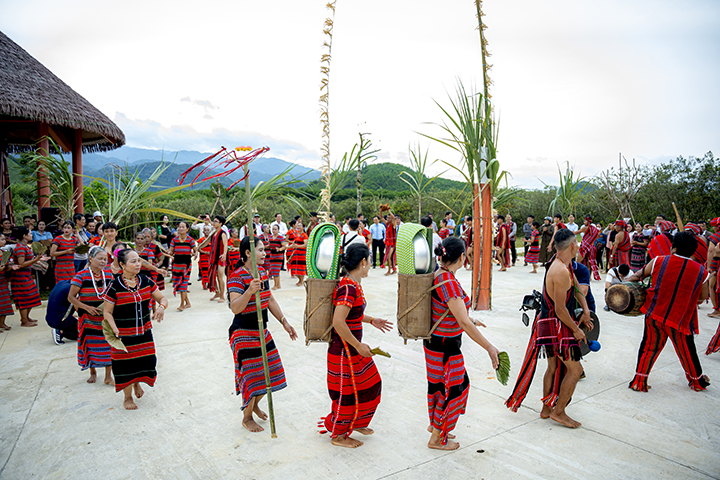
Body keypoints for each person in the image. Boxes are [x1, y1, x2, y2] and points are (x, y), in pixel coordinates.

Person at [506, 229, 592, 428]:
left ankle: (546, 409)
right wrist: (576, 330)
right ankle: (559, 411)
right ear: (572, 247)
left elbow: (577, 286)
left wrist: (586, 309)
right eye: (577, 243)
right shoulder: (559, 270)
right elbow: (561, 310)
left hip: (548, 323)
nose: (578, 246)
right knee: (576, 369)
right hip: (556, 325)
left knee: (553, 367)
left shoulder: (563, 263)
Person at [425, 237, 499, 449]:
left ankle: (437, 427)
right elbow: (463, 322)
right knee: (457, 387)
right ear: (461, 257)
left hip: (435, 342)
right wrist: (489, 347)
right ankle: (437, 438)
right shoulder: (448, 281)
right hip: (446, 345)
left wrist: (472, 320)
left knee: (440, 386)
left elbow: (450, 312)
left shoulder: (439, 275)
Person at [323, 243, 392, 447]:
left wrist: (371, 320)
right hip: (345, 350)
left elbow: (351, 315)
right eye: (370, 261)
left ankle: (356, 422)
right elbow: (338, 321)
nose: (370, 265)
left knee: (370, 385)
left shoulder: (352, 283)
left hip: (351, 349)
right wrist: (358, 345)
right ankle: (338, 435)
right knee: (348, 393)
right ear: (363, 262)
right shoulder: (348, 287)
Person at [228, 236, 297, 432]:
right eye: (260, 250)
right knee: (251, 375)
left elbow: (270, 300)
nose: (264, 253)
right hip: (242, 333)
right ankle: (247, 417)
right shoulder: (236, 277)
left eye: (264, 249)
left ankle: (255, 403)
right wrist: (249, 291)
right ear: (248, 253)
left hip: (261, 331)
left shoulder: (263, 273)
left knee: (271, 370)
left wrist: (284, 322)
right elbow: (235, 307)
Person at [625, 232, 710, 392]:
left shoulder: (659, 260)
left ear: (673, 247)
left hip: (654, 314)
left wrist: (621, 286)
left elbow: (638, 275)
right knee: (687, 350)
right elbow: (702, 297)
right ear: (692, 251)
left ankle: (639, 381)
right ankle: (696, 382)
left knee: (649, 347)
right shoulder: (701, 272)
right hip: (680, 318)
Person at [103, 249, 167, 410]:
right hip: (123, 335)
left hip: (144, 333)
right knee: (125, 366)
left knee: (143, 362)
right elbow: (107, 312)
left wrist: (161, 307)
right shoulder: (115, 285)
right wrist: (114, 329)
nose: (138, 264)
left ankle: (137, 382)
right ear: (122, 265)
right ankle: (127, 397)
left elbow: (162, 297)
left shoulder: (145, 280)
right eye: (133, 261)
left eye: (138, 260)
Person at [68, 246, 114, 385]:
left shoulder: (109, 274)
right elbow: (71, 297)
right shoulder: (81, 276)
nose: (103, 261)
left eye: (105, 259)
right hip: (87, 319)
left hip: (105, 317)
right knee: (89, 344)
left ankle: (108, 376)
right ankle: (92, 372)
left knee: (109, 344)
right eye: (100, 258)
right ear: (90, 259)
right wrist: (86, 307)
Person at [12, 227, 50, 327]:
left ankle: (26, 318)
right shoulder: (20, 247)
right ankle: (24, 321)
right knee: (24, 297)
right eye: (30, 233)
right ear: (24, 236)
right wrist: (35, 259)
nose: (31, 234)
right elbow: (21, 264)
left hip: (26, 275)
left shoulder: (25, 246)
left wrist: (39, 259)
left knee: (31, 296)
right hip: (20, 277)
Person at [168, 221, 197, 311]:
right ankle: (187, 302)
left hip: (186, 265)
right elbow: (171, 251)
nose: (181, 229)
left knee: (183, 285)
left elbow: (195, 250)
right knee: (180, 285)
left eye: (183, 227)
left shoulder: (190, 240)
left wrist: (195, 254)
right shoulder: (174, 240)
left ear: (187, 229)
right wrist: (168, 253)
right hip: (176, 265)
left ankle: (182, 304)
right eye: (180, 227)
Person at [204, 215, 229, 302]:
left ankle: (222, 296)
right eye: (213, 221)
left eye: (215, 221)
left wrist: (224, 254)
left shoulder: (222, 233)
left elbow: (226, 244)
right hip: (213, 258)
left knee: (220, 277)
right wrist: (199, 248)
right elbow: (207, 242)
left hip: (220, 258)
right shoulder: (213, 234)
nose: (213, 223)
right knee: (211, 275)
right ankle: (217, 292)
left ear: (220, 223)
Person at [0, 234, 17, 331]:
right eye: (2, 239)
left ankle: (2, 323)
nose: (4, 241)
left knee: (5, 302)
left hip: (2, 280)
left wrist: (11, 267)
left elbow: (6, 267)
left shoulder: (4, 252)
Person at [576, 215, 601, 280]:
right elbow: (598, 236)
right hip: (592, 247)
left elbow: (576, 232)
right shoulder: (595, 229)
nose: (584, 222)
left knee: (578, 261)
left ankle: (577, 275)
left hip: (585, 247)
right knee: (589, 263)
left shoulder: (586, 228)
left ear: (588, 221)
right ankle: (589, 277)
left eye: (585, 221)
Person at [286, 220, 308, 286]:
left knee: (301, 268)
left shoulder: (304, 235)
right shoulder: (297, 234)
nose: (298, 227)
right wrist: (285, 247)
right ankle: (299, 280)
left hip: (302, 254)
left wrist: (297, 246)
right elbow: (294, 244)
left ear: (303, 227)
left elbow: (305, 245)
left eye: (300, 226)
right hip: (296, 254)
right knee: (295, 268)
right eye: (297, 226)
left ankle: (301, 281)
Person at [706, 218, 720, 319]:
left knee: (712, 286)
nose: (713, 228)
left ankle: (717, 309)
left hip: (716, 263)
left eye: (714, 226)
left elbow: (711, 251)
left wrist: (709, 266)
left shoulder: (715, 237)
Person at [266, 224, 285, 290]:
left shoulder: (280, 237)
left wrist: (280, 249)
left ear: (278, 230)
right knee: (273, 270)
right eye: (273, 229)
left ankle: (275, 285)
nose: (274, 230)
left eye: (275, 229)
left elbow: (284, 246)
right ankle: (278, 285)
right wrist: (264, 247)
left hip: (278, 256)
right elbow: (269, 245)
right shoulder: (270, 237)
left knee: (275, 271)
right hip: (272, 255)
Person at [198, 224, 213, 290]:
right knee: (204, 271)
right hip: (203, 258)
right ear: (203, 232)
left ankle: (210, 284)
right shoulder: (201, 240)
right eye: (205, 230)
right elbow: (198, 249)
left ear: (210, 232)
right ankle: (204, 284)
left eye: (208, 230)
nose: (206, 232)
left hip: (211, 258)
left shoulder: (212, 239)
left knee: (210, 271)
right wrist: (205, 252)